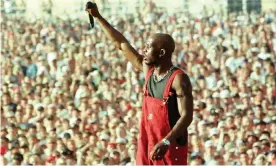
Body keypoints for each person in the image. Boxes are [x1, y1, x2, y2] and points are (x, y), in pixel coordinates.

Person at [86, 2, 194, 165]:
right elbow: (121, 44)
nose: (144, 50)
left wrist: (166, 141)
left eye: (148, 47)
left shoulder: (178, 79)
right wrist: (98, 17)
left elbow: (186, 116)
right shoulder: (149, 70)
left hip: (170, 148)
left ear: (162, 52)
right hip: (148, 142)